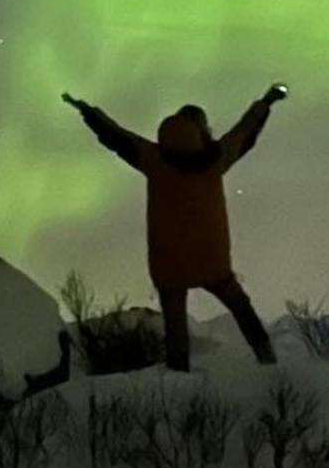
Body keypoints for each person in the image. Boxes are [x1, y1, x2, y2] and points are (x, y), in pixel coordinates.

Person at [61, 83, 289, 372]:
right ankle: (267, 360)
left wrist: (86, 110)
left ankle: (179, 375)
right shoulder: (215, 158)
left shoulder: (153, 158)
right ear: (201, 128)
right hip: (212, 262)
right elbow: (245, 131)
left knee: (175, 327)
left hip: (168, 264)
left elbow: (116, 136)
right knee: (241, 309)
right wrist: (268, 99)